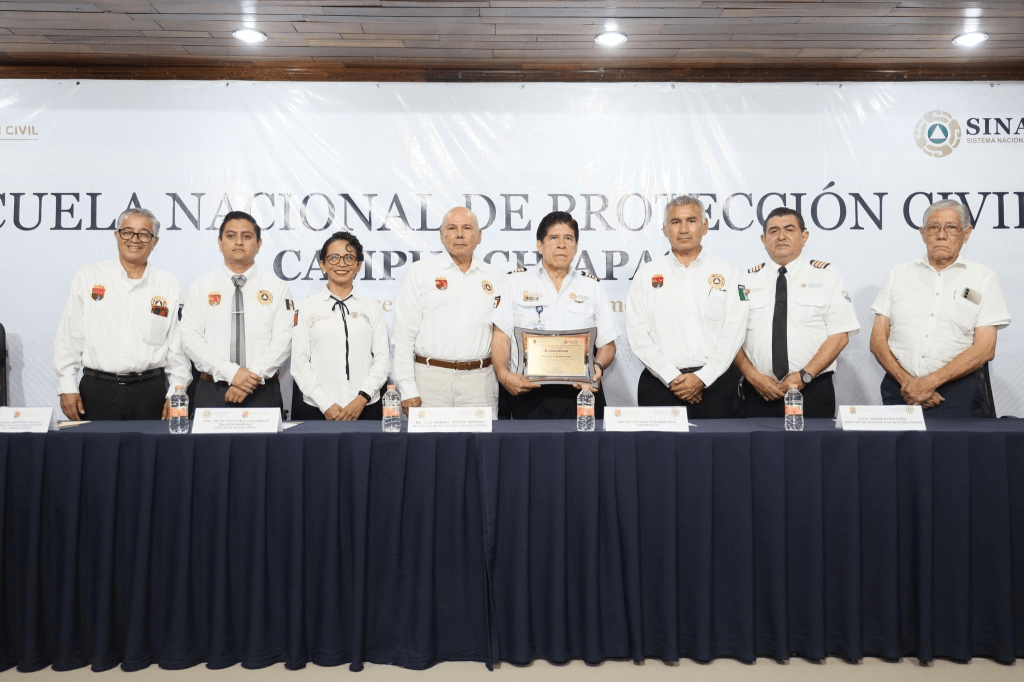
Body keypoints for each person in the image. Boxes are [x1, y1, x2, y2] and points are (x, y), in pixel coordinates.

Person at [869, 199, 1010, 417]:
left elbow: (985, 348)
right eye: (934, 227)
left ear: (966, 233)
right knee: (899, 452)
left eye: (951, 227)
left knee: (955, 453)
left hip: (956, 394)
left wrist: (929, 383)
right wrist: (910, 384)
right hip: (900, 391)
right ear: (923, 233)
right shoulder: (898, 274)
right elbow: (878, 341)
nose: (941, 235)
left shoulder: (983, 278)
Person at [53, 207, 190, 420]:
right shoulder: (88, 276)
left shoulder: (168, 284)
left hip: (150, 392)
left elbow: (177, 349)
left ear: (155, 241)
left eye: (144, 234)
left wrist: (176, 392)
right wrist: (66, 385)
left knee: (150, 453)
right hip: (97, 390)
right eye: (127, 232)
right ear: (117, 235)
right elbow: (70, 338)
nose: (135, 239)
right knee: (96, 453)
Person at [626, 195, 748, 418]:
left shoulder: (728, 273)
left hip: (718, 387)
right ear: (664, 229)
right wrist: (672, 377)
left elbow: (734, 331)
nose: (683, 229)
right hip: (661, 387)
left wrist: (703, 377)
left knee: (720, 453)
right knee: (659, 453)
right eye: (675, 222)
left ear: (705, 226)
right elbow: (638, 335)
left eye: (691, 221)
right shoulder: (646, 275)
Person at [734, 207, 860, 419]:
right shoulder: (744, 281)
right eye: (773, 231)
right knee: (759, 452)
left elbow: (840, 335)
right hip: (759, 391)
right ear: (764, 239)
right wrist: (753, 377)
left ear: (804, 236)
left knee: (813, 452)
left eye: (789, 229)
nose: (781, 236)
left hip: (812, 389)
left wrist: (805, 376)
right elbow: (732, 336)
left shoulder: (827, 276)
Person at [491, 211, 619, 419]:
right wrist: (504, 376)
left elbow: (608, 344)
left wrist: (597, 367)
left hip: (580, 392)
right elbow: (500, 337)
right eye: (553, 238)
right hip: (527, 391)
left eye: (568, 238)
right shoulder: (514, 283)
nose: (562, 244)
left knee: (585, 451)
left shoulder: (591, 286)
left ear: (576, 247)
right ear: (539, 245)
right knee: (527, 451)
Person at [392, 206, 501, 415]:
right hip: (430, 381)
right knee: (428, 448)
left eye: (467, 228)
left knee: (480, 448)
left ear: (479, 236)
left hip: (479, 383)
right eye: (452, 228)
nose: (459, 234)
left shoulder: (495, 278)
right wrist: (407, 389)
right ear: (442, 236)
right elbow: (404, 335)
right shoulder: (420, 273)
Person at [180, 211, 293, 410]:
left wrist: (248, 380)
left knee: (265, 443)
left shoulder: (277, 288)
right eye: (231, 236)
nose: (238, 242)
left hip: (262, 391)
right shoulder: (200, 287)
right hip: (212, 390)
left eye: (246, 236)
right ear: (220, 242)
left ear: (258, 244)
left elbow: (284, 340)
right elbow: (191, 338)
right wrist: (232, 373)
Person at [291, 232, 389, 421]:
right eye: (334, 257)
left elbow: (383, 361)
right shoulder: (307, 307)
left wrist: (362, 398)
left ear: (359, 266)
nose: (341, 264)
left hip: (366, 407)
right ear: (323, 265)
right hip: (317, 409)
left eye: (349, 258)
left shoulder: (372, 308)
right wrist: (325, 404)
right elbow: (299, 364)